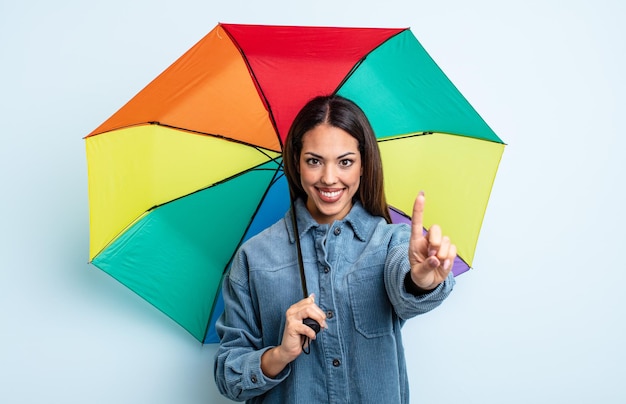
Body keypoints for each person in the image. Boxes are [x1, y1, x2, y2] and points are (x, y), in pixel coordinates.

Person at [214, 95, 456, 403]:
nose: (329, 178)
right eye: (314, 161)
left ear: (363, 165)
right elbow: (228, 377)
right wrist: (280, 353)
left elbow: (408, 291)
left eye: (345, 162)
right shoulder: (253, 258)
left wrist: (420, 281)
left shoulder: (390, 243)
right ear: (296, 163)